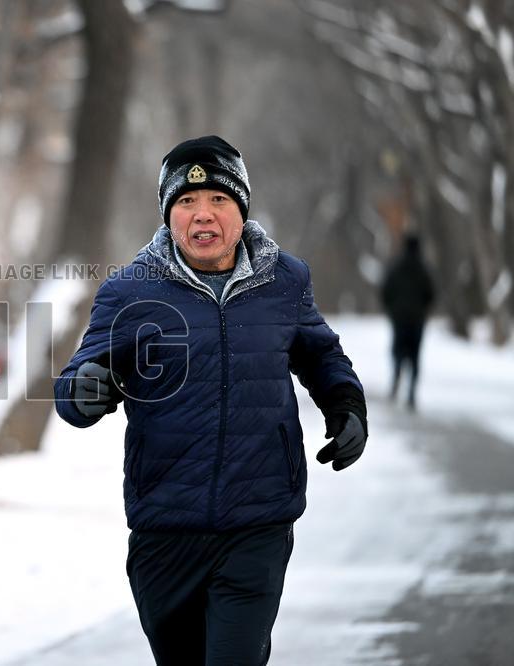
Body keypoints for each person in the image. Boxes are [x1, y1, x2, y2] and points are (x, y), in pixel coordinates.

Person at [53, 135, 368, 665]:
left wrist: (346, 404)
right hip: (164, 527)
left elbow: (321, 355)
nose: (203, 216)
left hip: (258, 519)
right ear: (167, 215)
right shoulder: (129, 291)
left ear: (242, 208)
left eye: (219, 200)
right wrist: (85, 390)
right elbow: (75, 385)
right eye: (186, 202)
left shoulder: (285, 280)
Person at [381, 233, 435, 410]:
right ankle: (411, 392)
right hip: (416, 319)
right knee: (414, 355)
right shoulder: (423, 269)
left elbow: (385, 290)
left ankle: (396, 380)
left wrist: (392, 310)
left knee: (398, 352)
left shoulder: (396, 267)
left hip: (399, 318)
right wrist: (423, 310)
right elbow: (431, 294)